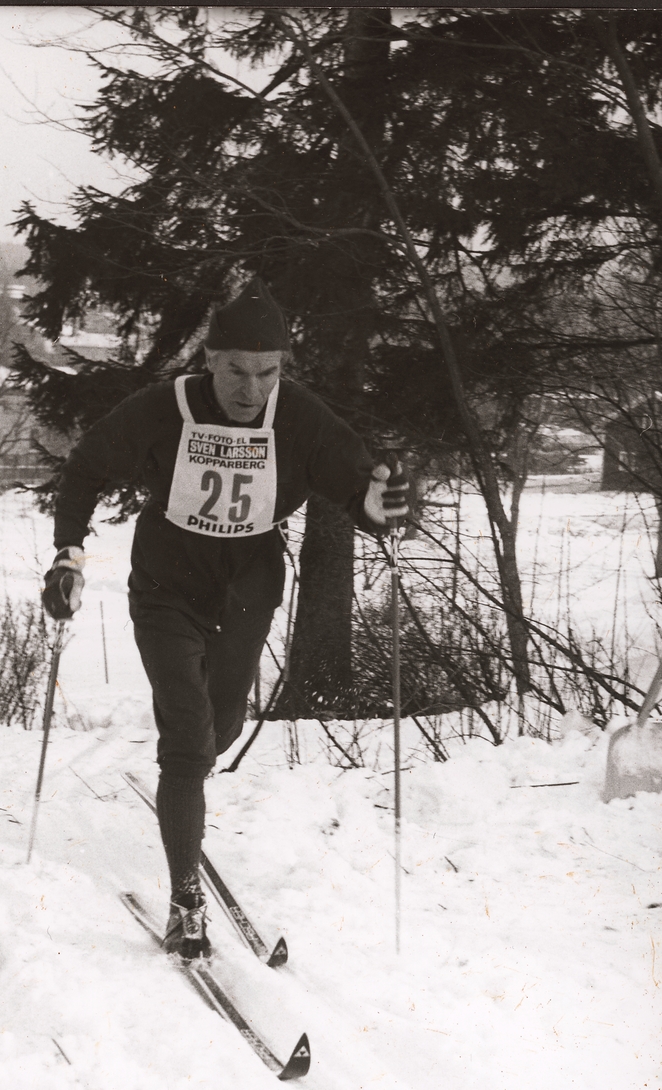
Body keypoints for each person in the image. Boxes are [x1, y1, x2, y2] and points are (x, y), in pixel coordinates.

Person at [42, 277, 409, 959]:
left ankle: (188, 786)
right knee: (187, 736)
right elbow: (87, 466)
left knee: (222, 728)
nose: (251, 388)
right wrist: (69, 554)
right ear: (209, 359)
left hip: (248, 584)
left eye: (267, 372)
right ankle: (186, 900)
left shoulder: (298, 415)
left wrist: (378, 506)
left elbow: (359, 485)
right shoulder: (165, 407)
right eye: (237, 370)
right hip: (167, 582)